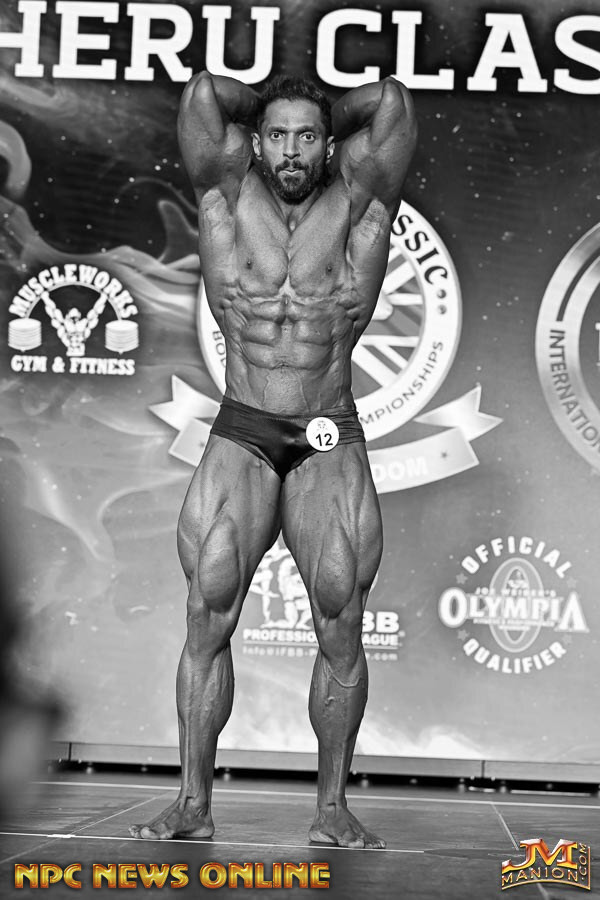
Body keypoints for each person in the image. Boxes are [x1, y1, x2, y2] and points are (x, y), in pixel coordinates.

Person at [130, 69, 416, 849]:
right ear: (255, 142)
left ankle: (332, 809)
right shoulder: (225, 190)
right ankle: (192, 803)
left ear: (330, 144)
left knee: (341, 615)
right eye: (279, 136)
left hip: (327, 432)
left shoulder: (360, 196)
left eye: (308, 136)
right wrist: (271, 109)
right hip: (244, 429)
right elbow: (200, 95)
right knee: (208, 609)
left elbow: (391, 101)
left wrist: (321, 106)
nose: (292, 150)